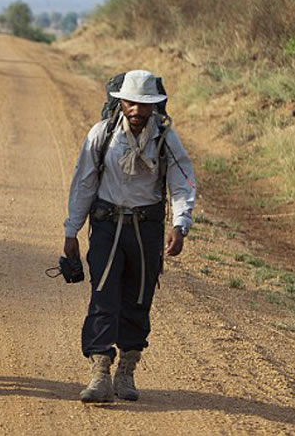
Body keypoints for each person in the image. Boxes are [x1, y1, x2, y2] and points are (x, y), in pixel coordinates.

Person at [62, 70, 195, 403]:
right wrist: (71, 232)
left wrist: (180, 225)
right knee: (103, 296)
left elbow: (182, 183)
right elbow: (83, 183)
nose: (136, 110)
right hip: (107, 225)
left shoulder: (165, 139)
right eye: (131, 103)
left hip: (146, 229)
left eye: (144, 104)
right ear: (120, 102)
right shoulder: (102, 134)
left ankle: (127, 371)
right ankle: (100, 373)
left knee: (138, 299)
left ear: (155, 106)